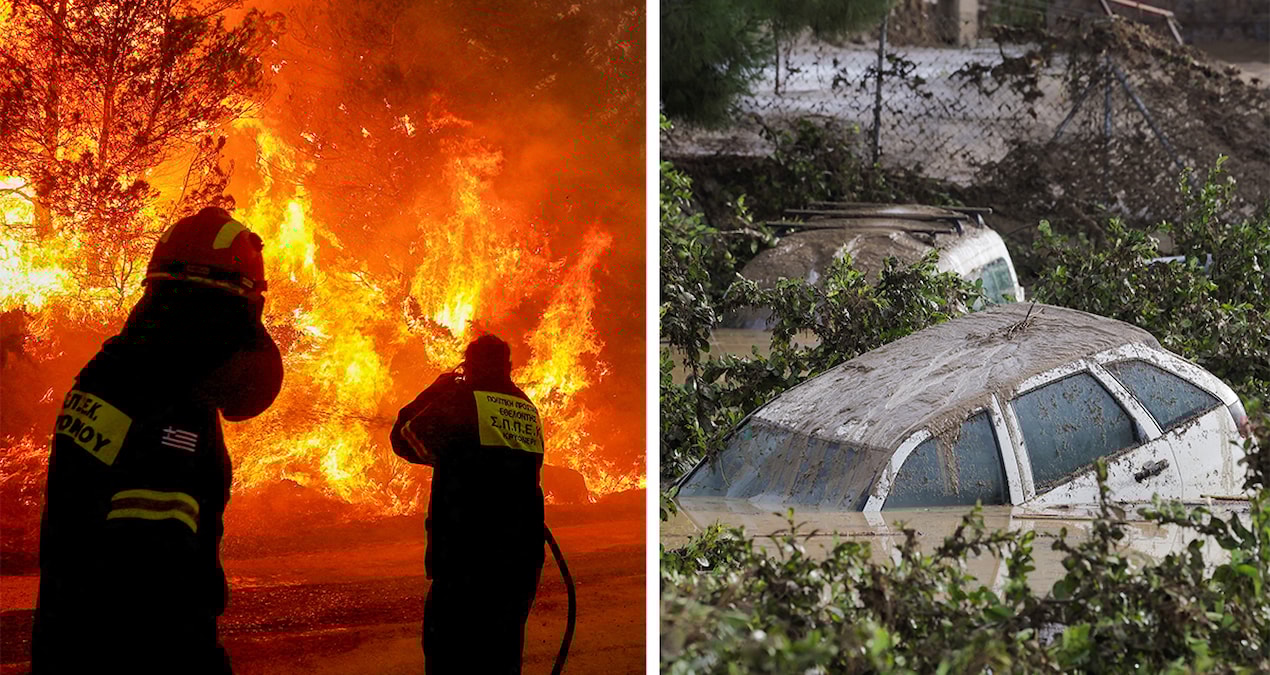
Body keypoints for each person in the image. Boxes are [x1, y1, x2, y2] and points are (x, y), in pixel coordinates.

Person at [31, 207, 284, 674]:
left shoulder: (116, 372)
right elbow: (152, 586)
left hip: (66, 644)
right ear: (227, 305)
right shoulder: (170, 410)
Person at [390, 334, 546, 675]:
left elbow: (403, 439)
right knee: (501, 658)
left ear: (468, 366)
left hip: (467, 559)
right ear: (508, 368)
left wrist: (435, 389)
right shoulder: (525, 406)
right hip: (520, 561)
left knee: (451, 657)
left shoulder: (461, 400)